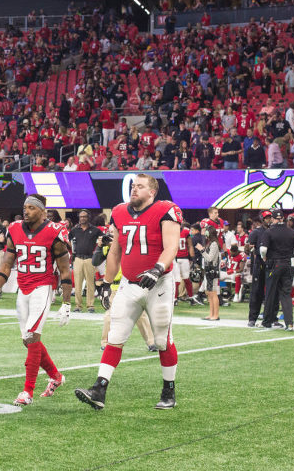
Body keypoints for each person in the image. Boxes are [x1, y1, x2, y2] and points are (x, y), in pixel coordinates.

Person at [75, 173, 183, 410]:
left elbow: (171, 246)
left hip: (159, 284)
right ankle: (99, 389)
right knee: (115, 336)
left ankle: (168, 390)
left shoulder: (166, 209)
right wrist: (105, 283)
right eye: (133, 186)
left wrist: (157, 268)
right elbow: (114, 252)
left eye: (140, 186)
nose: (134, 189)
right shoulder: (120, 212)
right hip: (129, 283)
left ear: (152, 192)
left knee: (163, 340)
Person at [0, 194, 72, 406]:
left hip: (43, 288)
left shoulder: (54, 232)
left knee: (33, 336)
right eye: (25, 207)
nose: (26, 211)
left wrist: (67, 302)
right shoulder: (14, 229)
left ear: (43, 212)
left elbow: (64, 269)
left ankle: (27, 391)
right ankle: (56, 376)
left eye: (32, 208)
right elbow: (6, 263)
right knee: (28, 340)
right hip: (22, 289)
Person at [259, 209, 294, 330]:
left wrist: (264, 258)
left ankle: (267, 322)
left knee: (270, 293)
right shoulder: (291, 232)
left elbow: (263, 250)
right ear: (282, 219)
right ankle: (289, 323)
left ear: (273, 219)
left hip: (274, 264)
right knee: (286, 295)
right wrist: (291, 254)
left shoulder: (269, 232)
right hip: (288, 264)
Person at [69, 210, 102, 313]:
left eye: (84, 217)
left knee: (90, 284)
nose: (82, 218)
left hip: (89, 259)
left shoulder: (95, 230)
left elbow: (103, 239)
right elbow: (67, 240)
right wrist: (71, 250)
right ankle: (78, 306)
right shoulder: (74, 230)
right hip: (77, 258)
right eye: (81, 217)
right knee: (77, 284)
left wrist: (98, 251)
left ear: (88, 217)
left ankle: (90, 305)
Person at [246, 211, 273, 327]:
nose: (269, 220)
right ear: (262, 219)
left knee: (272, 292)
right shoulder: (256, 232)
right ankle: (252, 318)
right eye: (266, 218)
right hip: (259, 264)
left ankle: (272, 318)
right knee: (256, 291)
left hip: (272, 263)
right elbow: (247, 248)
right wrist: (251, 250)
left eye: (269, 218)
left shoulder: (274, 231)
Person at [202, 227, 221, 321]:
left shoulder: (214, 244)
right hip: (208, 270)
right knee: (209, 293)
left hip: (213, 271)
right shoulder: (210, 243)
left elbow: (209, 258)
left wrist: (202, 250)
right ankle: (211, 314)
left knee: (213, 293)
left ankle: (216, 315)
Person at [174, 222, 195, 302]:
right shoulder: (172, 231)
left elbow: (190, 245)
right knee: (176, 280)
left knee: (186, 278)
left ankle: (190, 297)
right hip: (175, 258)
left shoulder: (186, 232)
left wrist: (192, 258)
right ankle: (175, 298)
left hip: (184, 258)